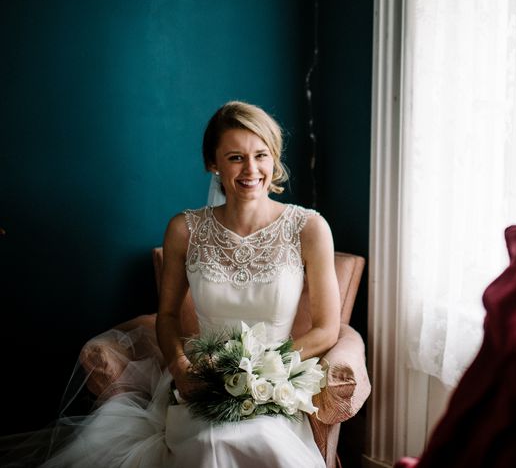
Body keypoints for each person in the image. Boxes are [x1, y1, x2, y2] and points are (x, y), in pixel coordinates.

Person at [26, 101, 340, 467]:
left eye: (261, 155)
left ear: (275, 158)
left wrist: (261, 370)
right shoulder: (185, 229)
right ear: (213, 163)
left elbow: (327, 328)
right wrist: (180, 368)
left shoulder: (309, 228)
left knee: (259, 439)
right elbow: (169, 315)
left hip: (274, 388)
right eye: (236, 157)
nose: (251, 169)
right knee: (211, 442)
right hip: (201, 387)